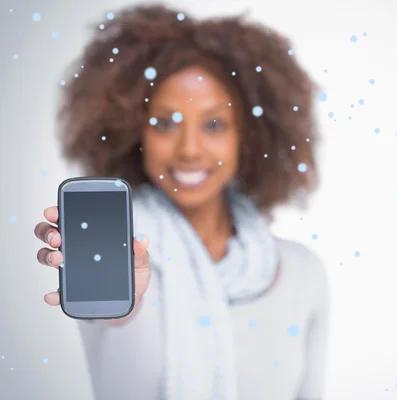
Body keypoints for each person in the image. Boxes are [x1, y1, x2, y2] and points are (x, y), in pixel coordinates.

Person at [33, 4, 330, 400]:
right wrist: (119, 300)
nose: (189, 149)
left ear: (249, 136)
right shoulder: (116, 253)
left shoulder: (301, 273)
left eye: (213, 124)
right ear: (133, 131)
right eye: (165, 123)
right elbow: (112, 318)